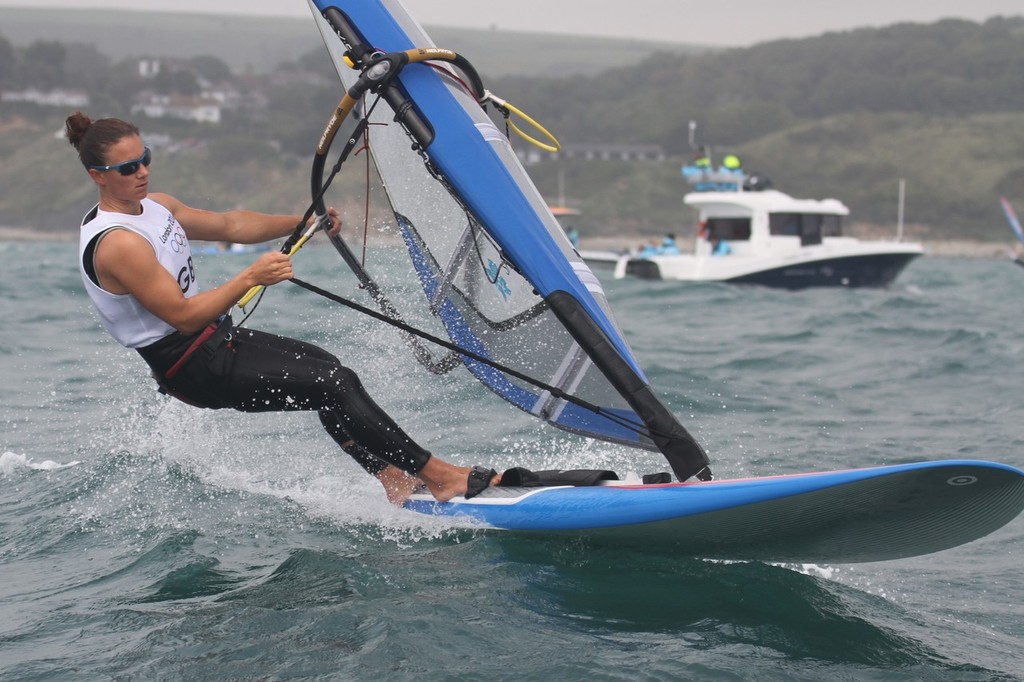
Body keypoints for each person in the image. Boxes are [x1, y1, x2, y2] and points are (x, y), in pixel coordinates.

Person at [66, 112, 499, 505]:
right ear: (98, 176)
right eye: (127, 168)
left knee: (328, 367)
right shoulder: (119, 243)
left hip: (215, 341)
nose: (141, 172)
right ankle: (438, 475)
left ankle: (393, 478)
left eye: (145, 159)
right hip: (191, 365)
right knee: (335, 383)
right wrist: (249, 277)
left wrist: (303, 220)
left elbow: (230, 224)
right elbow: (181, 315)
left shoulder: (157, 207)